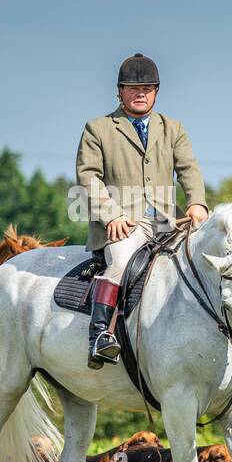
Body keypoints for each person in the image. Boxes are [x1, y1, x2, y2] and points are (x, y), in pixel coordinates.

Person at [75, 53, 209, 368]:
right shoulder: (98, 129)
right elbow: (87, 177)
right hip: (122, 224)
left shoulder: (173, 128)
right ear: (119, 91)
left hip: (166, 221)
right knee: (120, 264)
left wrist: (197, 202)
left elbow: (188, 168)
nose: (141, 93)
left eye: (147, 88)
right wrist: (112, 215)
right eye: (133, 88)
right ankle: (99, 336)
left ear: (157, 91)